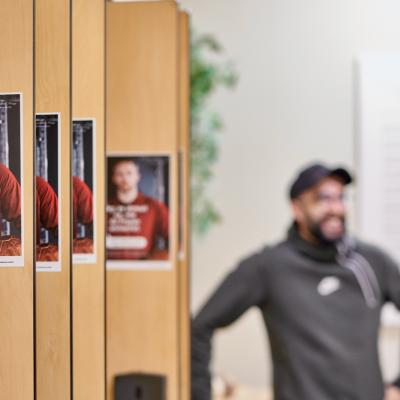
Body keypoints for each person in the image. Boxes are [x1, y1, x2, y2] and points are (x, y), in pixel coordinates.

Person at [191, 162, 400, 400]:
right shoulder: (268, 267)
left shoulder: (373, 262)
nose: (335, 208)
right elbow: (200, 327)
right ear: (297, 208)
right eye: (323, 199)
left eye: (340, 198)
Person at [106, 159, 169, 260]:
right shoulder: (102, 206)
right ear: (113, 178)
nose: (125, 178)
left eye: (129, 173)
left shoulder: (154, 206)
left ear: (138, 176)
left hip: (142, 269)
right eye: (120, 174)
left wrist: (161, 257)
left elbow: (176, 236)